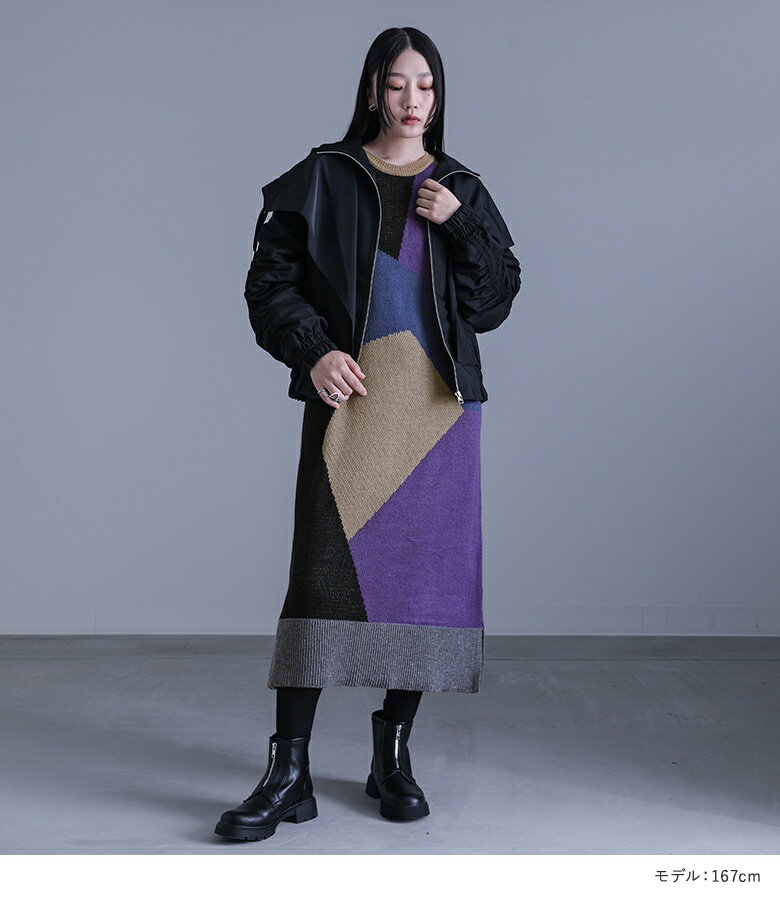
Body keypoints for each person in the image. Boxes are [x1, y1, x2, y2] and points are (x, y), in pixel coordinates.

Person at [215, 25, 521, 842]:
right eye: (397, 84)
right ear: (372, 90)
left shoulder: (460, 186)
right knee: (320, 583)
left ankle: (393, 754)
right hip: (351, 405)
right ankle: (289, 773)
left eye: (426, 85)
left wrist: (460, 223)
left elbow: (494, 302)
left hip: (438, 415)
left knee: (421, 587)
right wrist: (313, 351)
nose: (413, 101)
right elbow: (268, 284)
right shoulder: (326, 175)